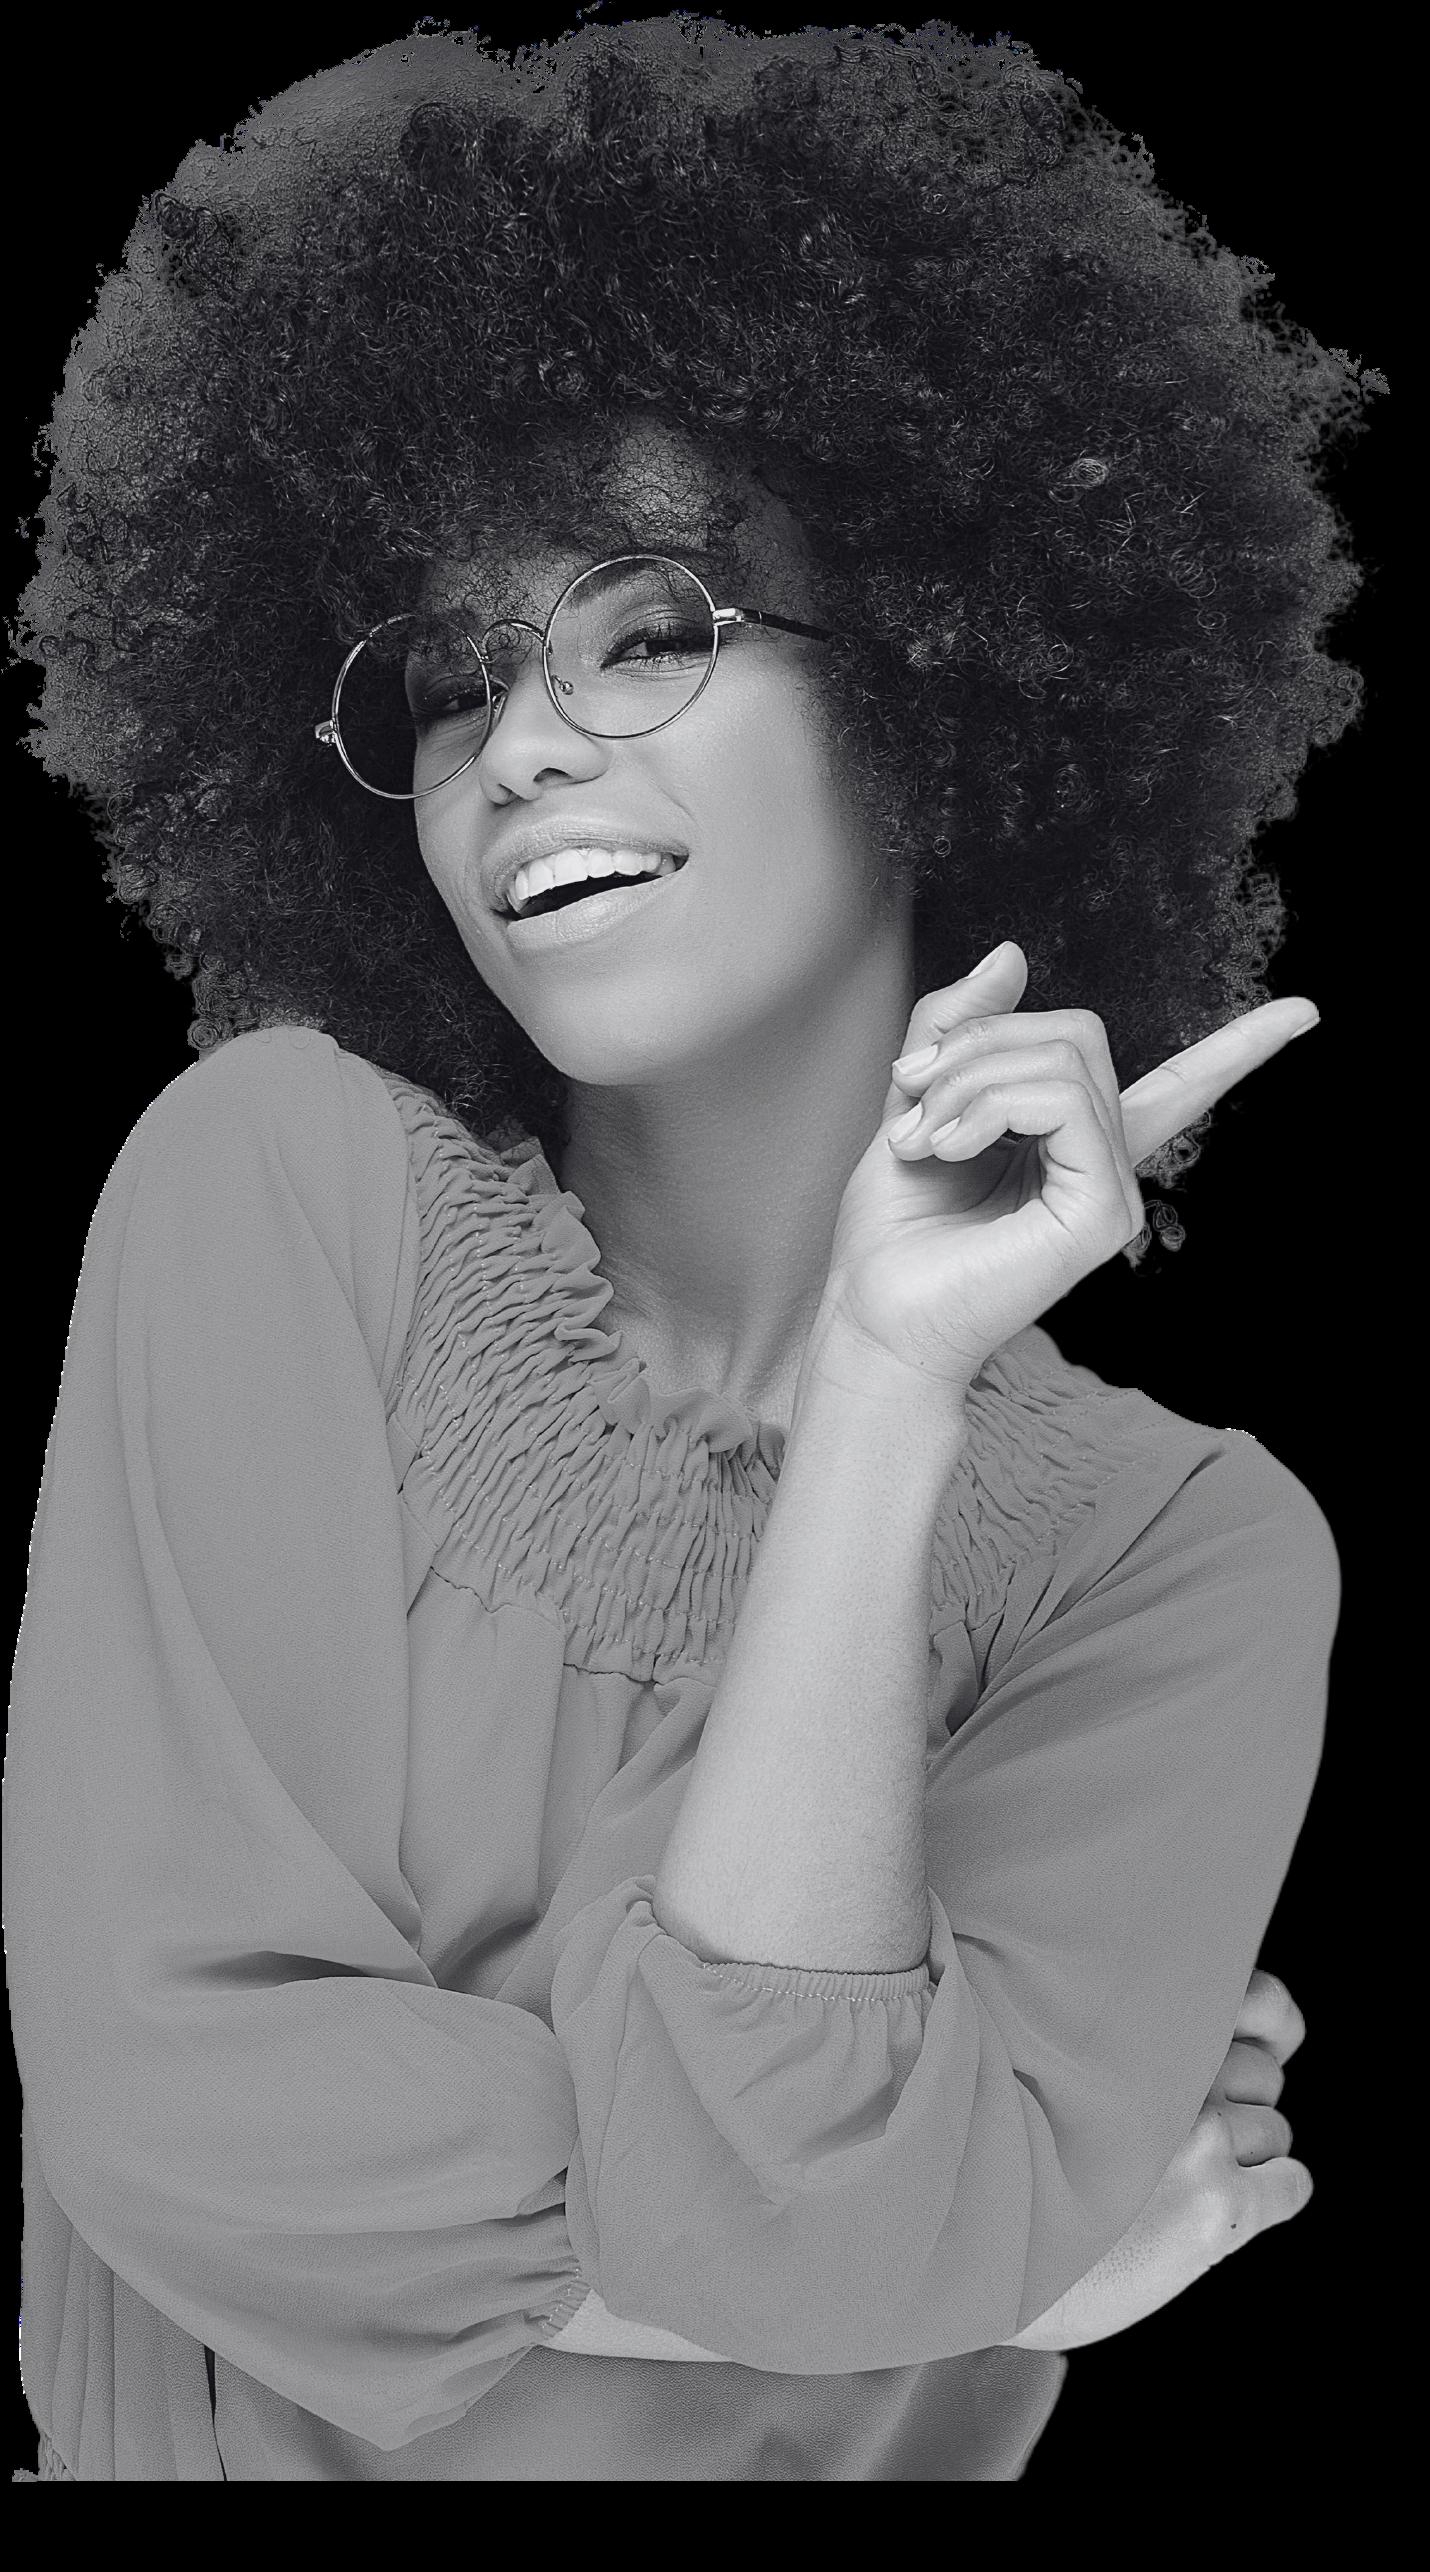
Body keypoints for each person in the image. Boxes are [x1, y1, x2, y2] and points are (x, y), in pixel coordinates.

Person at [2, 17, 1382, 2481]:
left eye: (643, 627)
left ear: (938, 677)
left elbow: (788, 2224)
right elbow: (167, 2106)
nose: (518, 742)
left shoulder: (1183, 1563)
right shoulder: (280, 1193)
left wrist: (883, 1382)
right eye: (450, 676)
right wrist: (966, 2250)